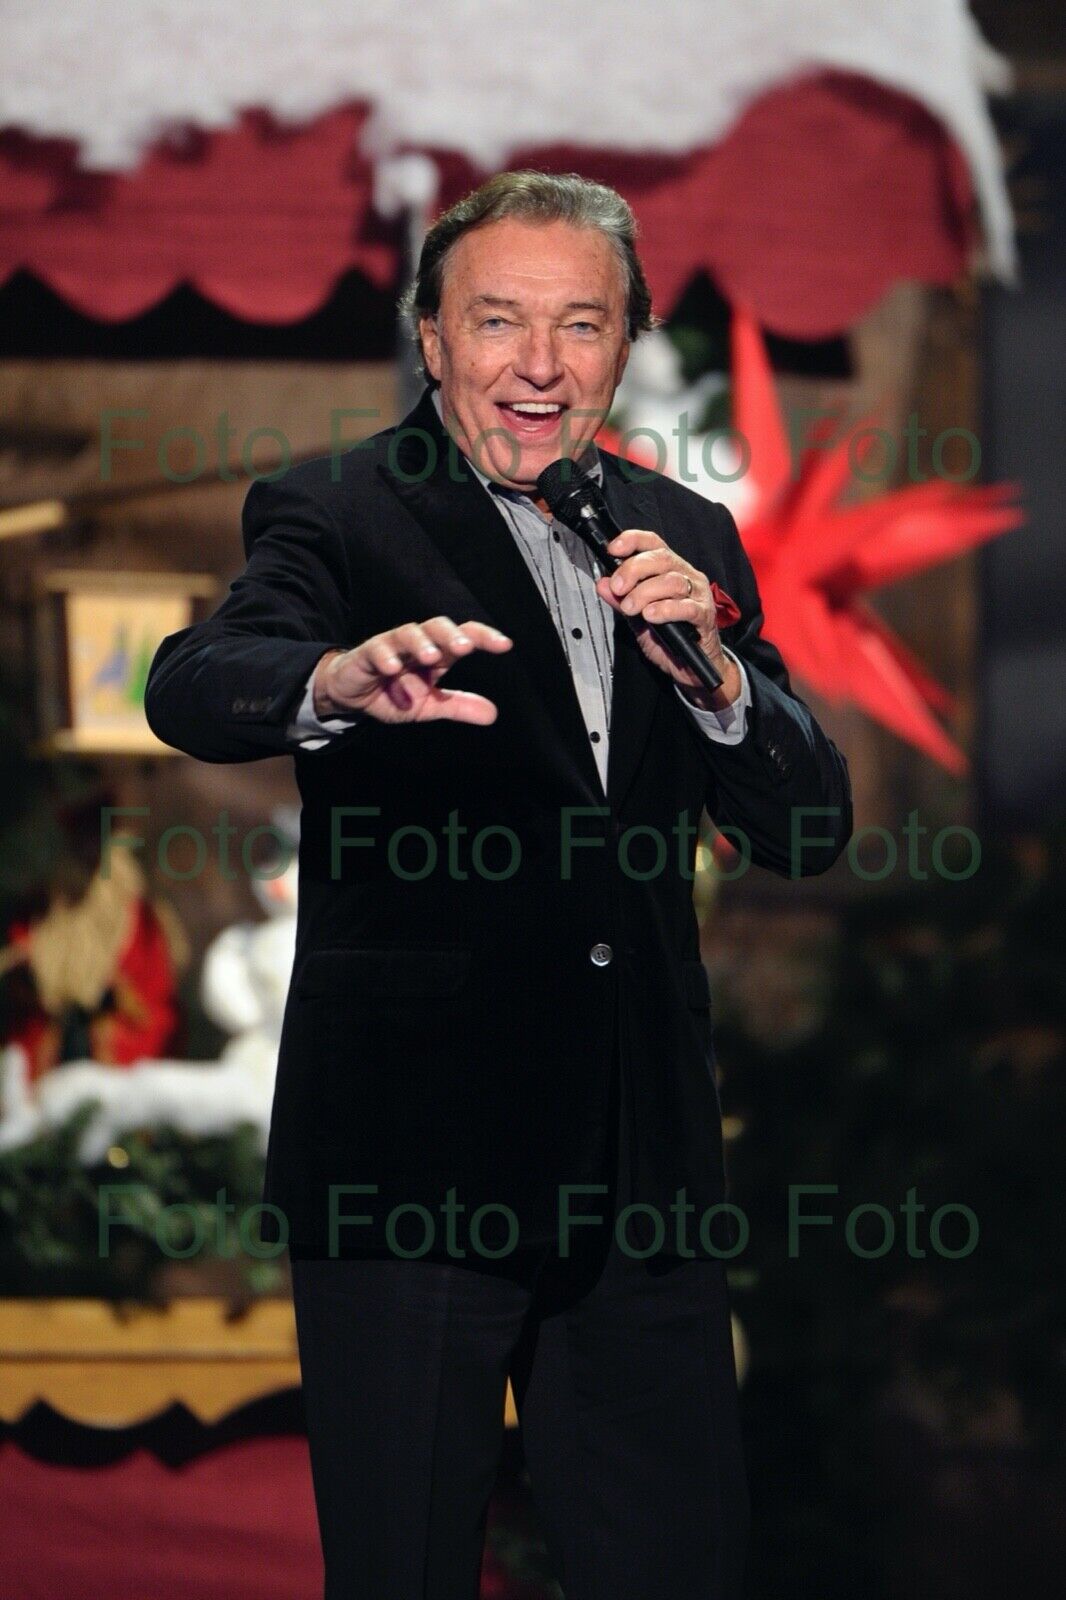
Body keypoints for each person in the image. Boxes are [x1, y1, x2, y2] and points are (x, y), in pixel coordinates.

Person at [145, 170, 852, 1600]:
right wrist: (328, 681)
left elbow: (810, 820)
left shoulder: (683, 536)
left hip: (637, 1171)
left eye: (579, 326)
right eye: (498, 322)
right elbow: (195, 683)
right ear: (430, 338)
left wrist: (715, 681)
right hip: (413, 1172)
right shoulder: (338, 510)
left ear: (622, 345)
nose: (539, 365)